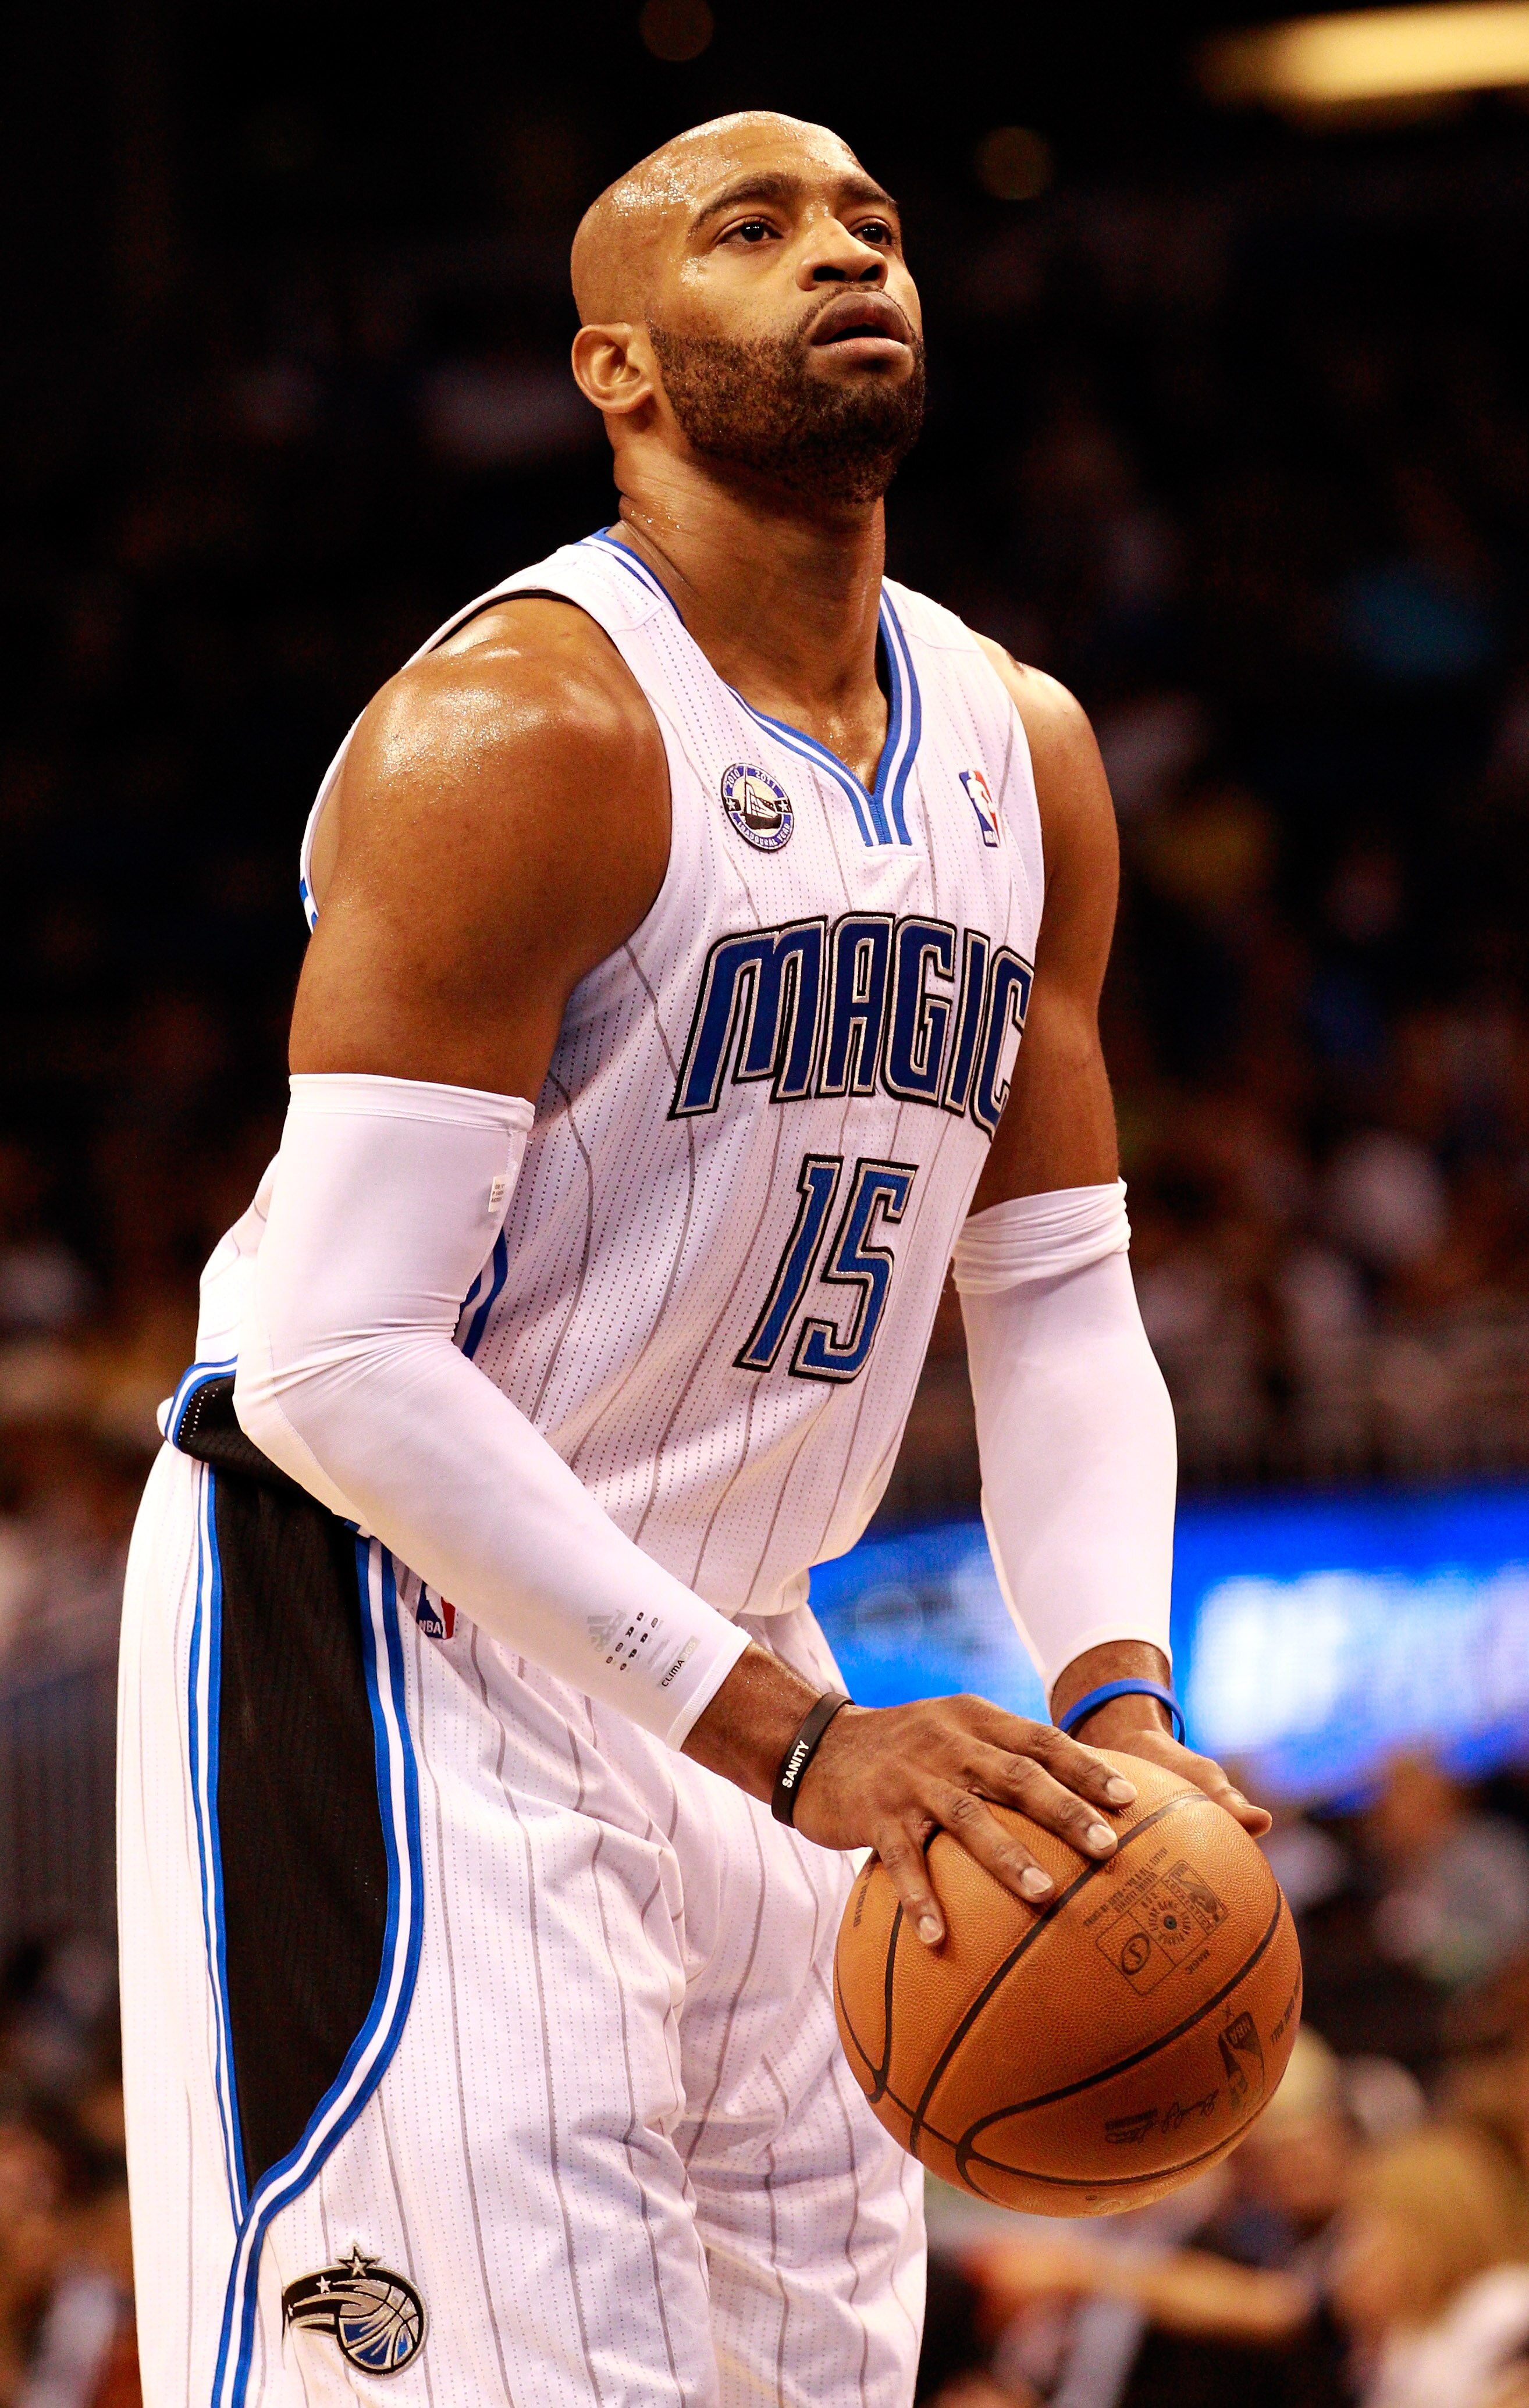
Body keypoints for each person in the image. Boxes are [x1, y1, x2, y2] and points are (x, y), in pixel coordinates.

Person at [116, 110, 1267, 2407]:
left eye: (874, 225)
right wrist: (792, 1741)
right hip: (388, 1635)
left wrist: (1120, 1707)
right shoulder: (521, 733)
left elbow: (1052, 1297)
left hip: (756, 1652)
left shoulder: (1020, 755)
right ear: (617, 371)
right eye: (756, 234)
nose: (846, 256)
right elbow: (335, 1365)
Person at [1329, 2122, 1529, 2407]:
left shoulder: (1505, 2312)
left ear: (1429, 2233)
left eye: (1364, 2232)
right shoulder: (1406, 2342)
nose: (1348, 2262)